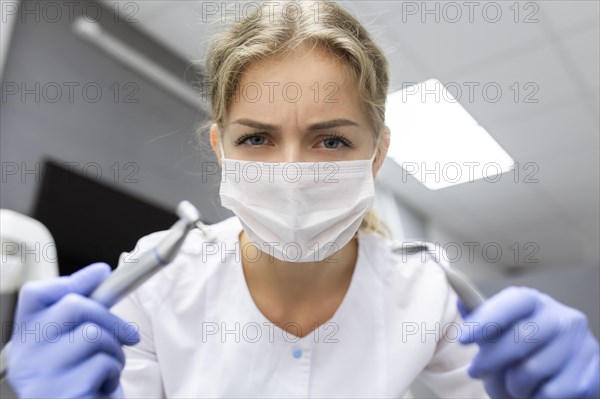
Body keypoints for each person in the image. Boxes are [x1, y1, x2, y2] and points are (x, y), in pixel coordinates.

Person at [4, 1, 599, 398]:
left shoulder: (425, 288)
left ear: (377, 153)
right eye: (257, 138)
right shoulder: (154, 276)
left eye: (332, 139)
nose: (292, 171)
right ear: (221, 147)